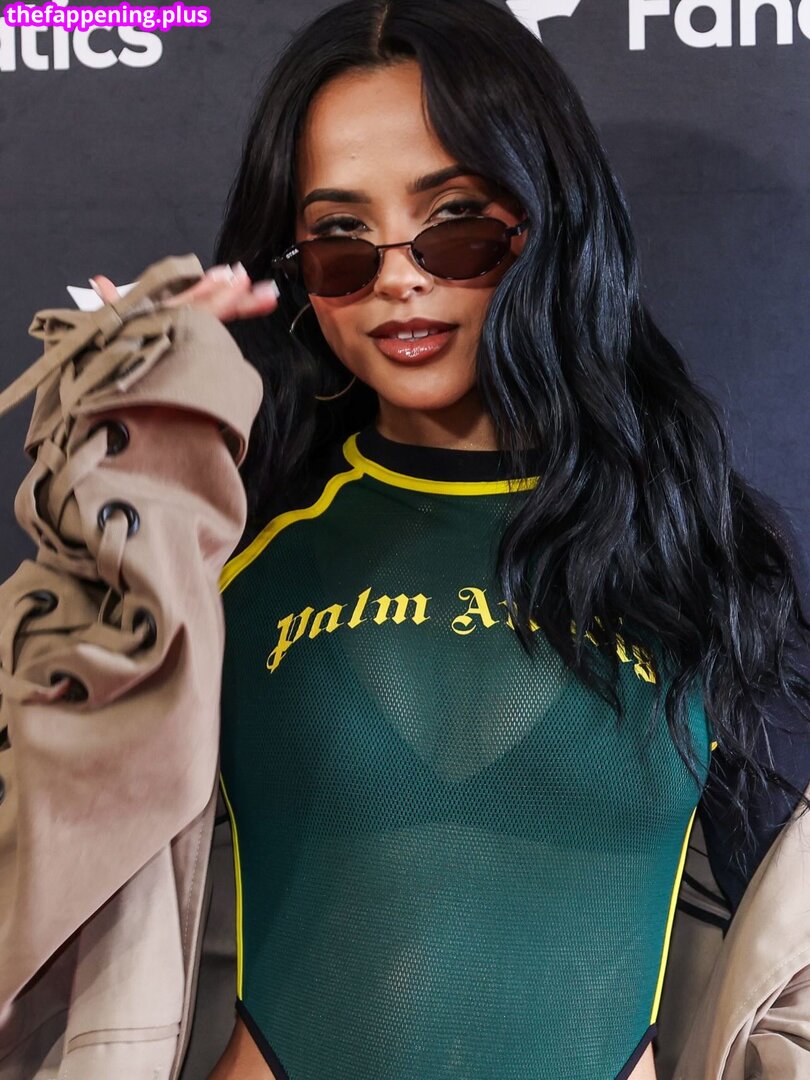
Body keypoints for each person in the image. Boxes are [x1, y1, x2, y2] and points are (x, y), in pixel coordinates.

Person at [1, 1, 809, 1078]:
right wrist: (135, 452)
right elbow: (52, 825)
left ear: (550, 220)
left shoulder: (690, 557)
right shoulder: (227, 545)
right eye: (340, 241)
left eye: (456, 224)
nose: (397, 276)